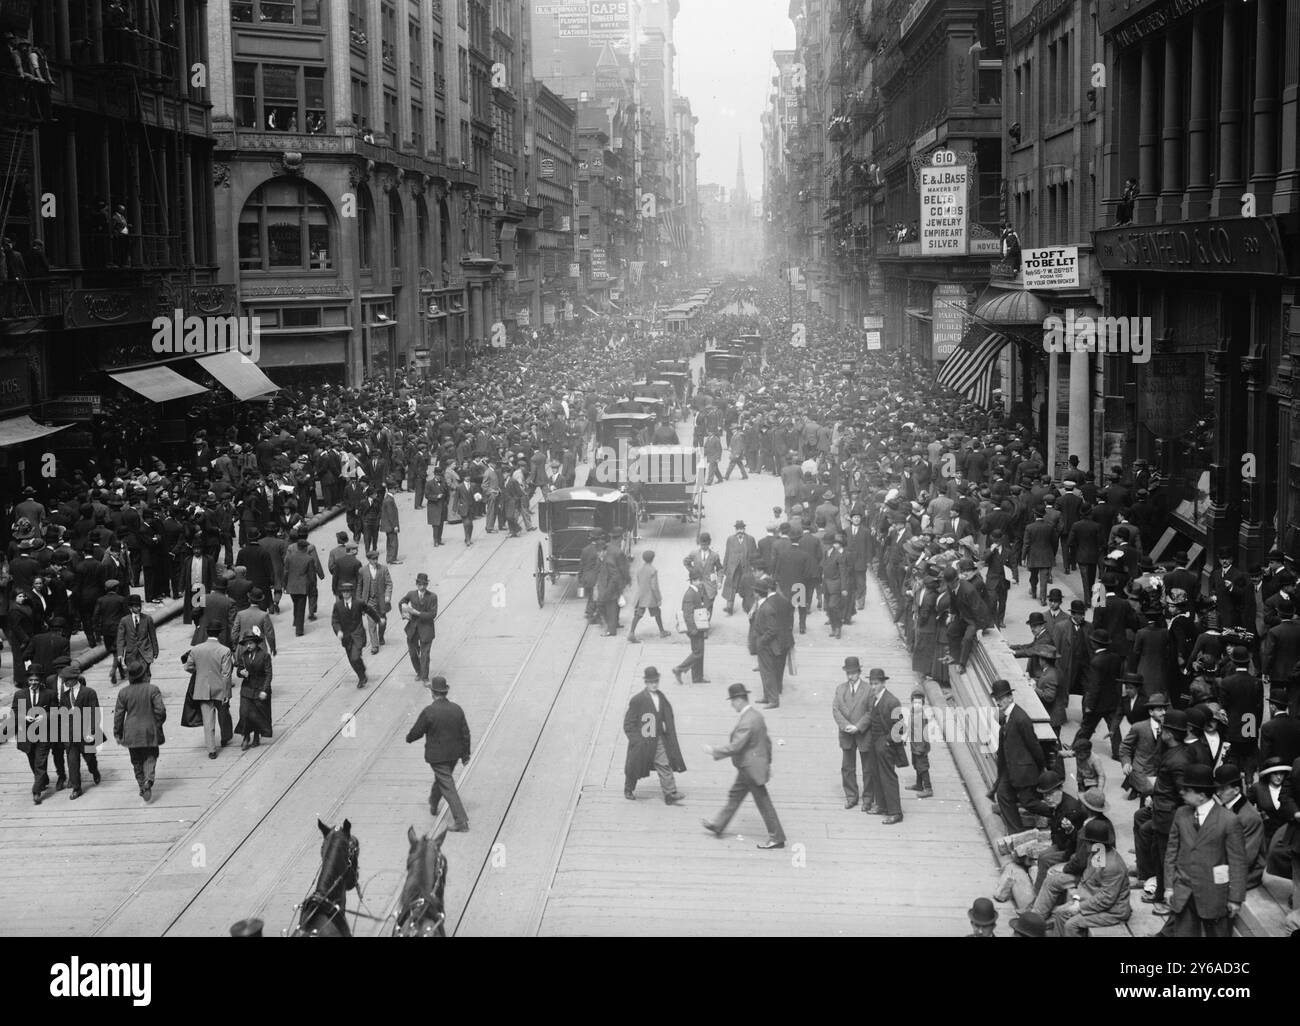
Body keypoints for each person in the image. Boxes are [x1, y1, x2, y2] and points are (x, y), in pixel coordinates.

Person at [1160, 764, 1248, 937]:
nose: (1181, 792)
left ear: (1201, 795)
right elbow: (1171, 853)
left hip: (1214, 896)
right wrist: (1169, 887)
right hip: (1184, 893)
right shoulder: (1181, 814)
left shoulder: (1229, 820)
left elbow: (1237, 862)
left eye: (1186, 790)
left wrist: (1235, 898)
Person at [701, 683, 786, 849]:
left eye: (732, 701)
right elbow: (767, 743)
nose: (732, 704)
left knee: (763, 802)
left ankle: (777, 837)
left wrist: (714, 751)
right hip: (751, 766)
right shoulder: (756, 716)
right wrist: (767, 763)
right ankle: (719, 824)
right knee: (735, 795)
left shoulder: (747, 721)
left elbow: (736, 746)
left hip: (750, 768)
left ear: (739, 700)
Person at [404, 676, 470, 831]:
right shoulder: (457, 709)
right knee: (443, 779)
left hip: (437, 757)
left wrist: (409, 738)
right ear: (445, 692)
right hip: (454, 755)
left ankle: (461, 822)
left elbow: (417, 732)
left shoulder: (429, 711)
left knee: (447, 785)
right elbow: (466, 733)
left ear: (432, 693)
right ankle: (433, 802)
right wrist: (465, 755)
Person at [1049, 819, 1132, 937]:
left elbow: (1106, 899)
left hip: (1113, 911)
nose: (1084, 845)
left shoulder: (1113, 866)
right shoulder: (1096, 854)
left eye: (1087, 842)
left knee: (1071, 925)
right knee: (1060, 913)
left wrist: (1079, 907)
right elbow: (1085, 880)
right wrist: (1077, 899)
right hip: (1094, 900)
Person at [623, 666, 687, 803]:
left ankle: (670, 794)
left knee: (664, 764)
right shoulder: (638, 700)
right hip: (642, 741)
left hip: (657, 739)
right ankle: (628, 788)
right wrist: (636, 740)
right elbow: (628, 724)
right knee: (635, 766)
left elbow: (666, 714)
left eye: (656, 681)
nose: (654, 684)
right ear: (645, 683)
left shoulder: (660, 696)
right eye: (651, 682)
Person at [990, 678, 1046, 831]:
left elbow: (1034, 746)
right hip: (1012, 769)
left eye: (1001, 698)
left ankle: (1054, 812)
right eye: (996, 699)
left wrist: (1041, 768)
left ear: (1010, 697)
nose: (998, 702)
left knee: (1028, 802)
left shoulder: (1021, 718)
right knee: (1002, 794)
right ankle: (1016, 831)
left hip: (1024, 771)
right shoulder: (1008, 716)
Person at [113, 658, 167, 803]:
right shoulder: (152, 689)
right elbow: (160, 710)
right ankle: (149, 780)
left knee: (136, 760)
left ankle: (141, 783)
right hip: (149, 729)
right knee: (151, 755)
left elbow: (118, 715)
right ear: (143, 675)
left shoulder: (123, 693)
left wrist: (117, 733)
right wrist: (158, 723)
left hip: (131, 732)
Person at [864, 668, 906, 824]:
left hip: (886, 746)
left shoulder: (892, 701)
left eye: (876, 683)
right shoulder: (874, 699)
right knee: (876, 774)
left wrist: (887, 741)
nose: (873, 686)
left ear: (883, 683)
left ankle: (895, 812)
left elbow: (900, 728)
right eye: (871, 683)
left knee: (888, 776)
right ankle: (881, 805)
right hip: (875, 744)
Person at [185, 628, 233, 760]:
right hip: (219, 688)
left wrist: (199, 673)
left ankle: (211, 749)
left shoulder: (196, 649)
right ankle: (226, 737)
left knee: (207, 720)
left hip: (202, 689)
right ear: (219, 633)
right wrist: (227, 693)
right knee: (224, 715)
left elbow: (188, 667)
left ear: (207, 633)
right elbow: (226, 673)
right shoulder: (225, 650)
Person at [833, 657, 874, 810]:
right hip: (846, 733)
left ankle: (868, 798)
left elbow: (871, 712)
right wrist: (846, 726)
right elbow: (835, 710)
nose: (850, 676)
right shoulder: (840, 689)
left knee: (868, 768)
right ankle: (851, 796)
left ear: (859, 672)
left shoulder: (868, 689)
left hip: (863, 733)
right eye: (848, 673)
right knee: (847, 767)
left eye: (853, 673)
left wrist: (858, 726)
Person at [57, 663, 102, 799]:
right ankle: (77, 788)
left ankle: (94, 771)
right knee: (72, 762)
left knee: (90, 759)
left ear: (75, 679)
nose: (65, 682)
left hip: (85, 734)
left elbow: (95, 713)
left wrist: (92, 732)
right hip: (70, 735)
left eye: (68, 680)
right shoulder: (64, 696)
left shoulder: (88, 692)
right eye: (64, 680)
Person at [12, 666, 57, 803]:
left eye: (36, 680)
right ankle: (43, 779)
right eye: (31, 680)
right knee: (33, 761)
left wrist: (44, 716)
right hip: (26, 735)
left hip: (44, 733)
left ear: (41, 680)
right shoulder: (19, 695)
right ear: (27, 680)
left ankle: (36, 792)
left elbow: (55, 711)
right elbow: (15, 711)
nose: (33, 682)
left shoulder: (49, 694)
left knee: (40, 762)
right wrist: (25, 717)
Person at [749, 577, 794, 707]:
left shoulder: (766, 607)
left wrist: (761, 641)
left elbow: (771, 629)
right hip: (778, 641)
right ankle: (767, 696)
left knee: (768, 671)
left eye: (754, 592)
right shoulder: (774, 603)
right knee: (767, 671)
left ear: (758, 593)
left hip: (767, 644)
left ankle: (773, 699)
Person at [332, 580, 380, 688]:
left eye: (347, 592)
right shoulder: (338, 605)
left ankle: (362, 678)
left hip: (358, 635)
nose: (345, 594)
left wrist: (378, 620)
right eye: (343, 592)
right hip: (346, 637)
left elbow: (369, 610)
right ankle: (362, 674)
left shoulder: (358, 603)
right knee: (352, 661)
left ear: (351, 593)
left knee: (355, 657)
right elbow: (335, 620)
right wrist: (338, 631)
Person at [234, 629, 273, 750]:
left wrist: (264, 690)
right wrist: (241, 672)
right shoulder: (243, 655)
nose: (248, 646)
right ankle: (245, 736)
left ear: (256, 643)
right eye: (246, 644)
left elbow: (268, 674)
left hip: (260, 688)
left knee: (257, 715)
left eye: (251, 643)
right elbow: (238, 671)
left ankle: (256, 735)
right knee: (244, 713)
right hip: (247, 689)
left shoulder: (264, 656)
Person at [398, 573, 439, 682]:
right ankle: (418, 671)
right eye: (420, 584)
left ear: (427, 584)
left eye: (424, 584)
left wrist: (417, 613)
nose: (422, 587)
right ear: (416, 584)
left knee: (425, 654)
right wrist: (404, 612)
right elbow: (402, 602)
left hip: (426, 629)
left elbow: (432, 614)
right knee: (412, 653)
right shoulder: (411, 594)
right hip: (413, 629)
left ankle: (424, 676)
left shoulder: (433, 597)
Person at [284, 528, 324, 636]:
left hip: (292, 581)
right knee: (312, 594)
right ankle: (310, 613)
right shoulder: (310, 547)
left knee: (296, 602)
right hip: (306, 578)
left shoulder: (290, 548)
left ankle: (296, 620)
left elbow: (286, 566)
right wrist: (321, 574)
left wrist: (285, 583)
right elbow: (315, 561)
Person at [672, 571, 710, 685]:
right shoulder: (690, 594)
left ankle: (697, 677)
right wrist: (692, 629)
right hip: (694, 628)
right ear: (693, 581)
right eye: (698, 580)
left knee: (699, 651)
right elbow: (687, 613)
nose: (700, 582)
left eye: (700, 580)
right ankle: (679, 669)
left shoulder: (696, 591)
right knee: (698, 652)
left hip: (698, 627)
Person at [628, 550, 670, 643]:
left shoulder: (639, 570)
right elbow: (654, 586)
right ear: (653, 559)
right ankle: (662, 631)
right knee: (657, 613)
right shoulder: (653, 570)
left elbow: (639, 582)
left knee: (638, 614)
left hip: (641, 595)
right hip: (650, 597)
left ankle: (631, 632)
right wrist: (658, 598)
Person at [116, 594, 159, 681]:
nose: (138, 608)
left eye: (139, 606)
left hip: (145, 653)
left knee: (146, 676)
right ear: (130, 608)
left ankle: (146, 692)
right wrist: (120, 654)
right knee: (133, 677)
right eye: (136, 606)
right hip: (131, 654)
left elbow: (153, 636)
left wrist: (155, 650)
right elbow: (120, 639)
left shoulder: (147, 619)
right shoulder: (124, 621)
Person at [357, 549, 392, 654]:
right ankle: (374, 645)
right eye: (373, 559)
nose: (375, 561)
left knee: (382, 621)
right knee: (371, 624)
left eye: (376, 559)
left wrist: (387, 596)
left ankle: (381, 636)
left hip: (381, 601)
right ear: (368, 560)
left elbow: (389, 584)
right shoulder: (362, 571)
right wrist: (359, 600)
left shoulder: (383, 569)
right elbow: (359, 586)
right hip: (369, 601)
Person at [721, 521, 758, 616]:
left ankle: (749, 607)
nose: (740, 531)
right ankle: (729, 607)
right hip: (734, 568)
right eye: (738, 528)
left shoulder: (750, 539)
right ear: (735, 529)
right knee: (731, 587)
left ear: (744, 529)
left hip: (747, 568)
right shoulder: (730, 539)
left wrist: (755, 567)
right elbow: (727, 554)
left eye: (741, 528)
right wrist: (725, 567)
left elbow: (755, 554)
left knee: (748, 587)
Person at [907, 686, 934, 798]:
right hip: (914, 745)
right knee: (917, 765)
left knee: (922, 767)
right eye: (915, 702)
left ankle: (928, 788)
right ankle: (919, 785)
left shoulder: (921, 717)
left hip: (920, 747)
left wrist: (921, 749)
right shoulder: (913, 713)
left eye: (919, 703)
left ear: (923, 704)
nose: (917, 705)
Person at [379, 481, 402, 563]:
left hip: (388, 525)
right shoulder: (389, 500)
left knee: (390, 542)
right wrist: (395, 525)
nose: (396, 490)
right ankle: (392, 559)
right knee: (393, 542)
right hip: (390, 525)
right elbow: (391, 514)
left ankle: (390, 558)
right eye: (395, 489)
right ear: (391, 489)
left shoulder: (388, 498)